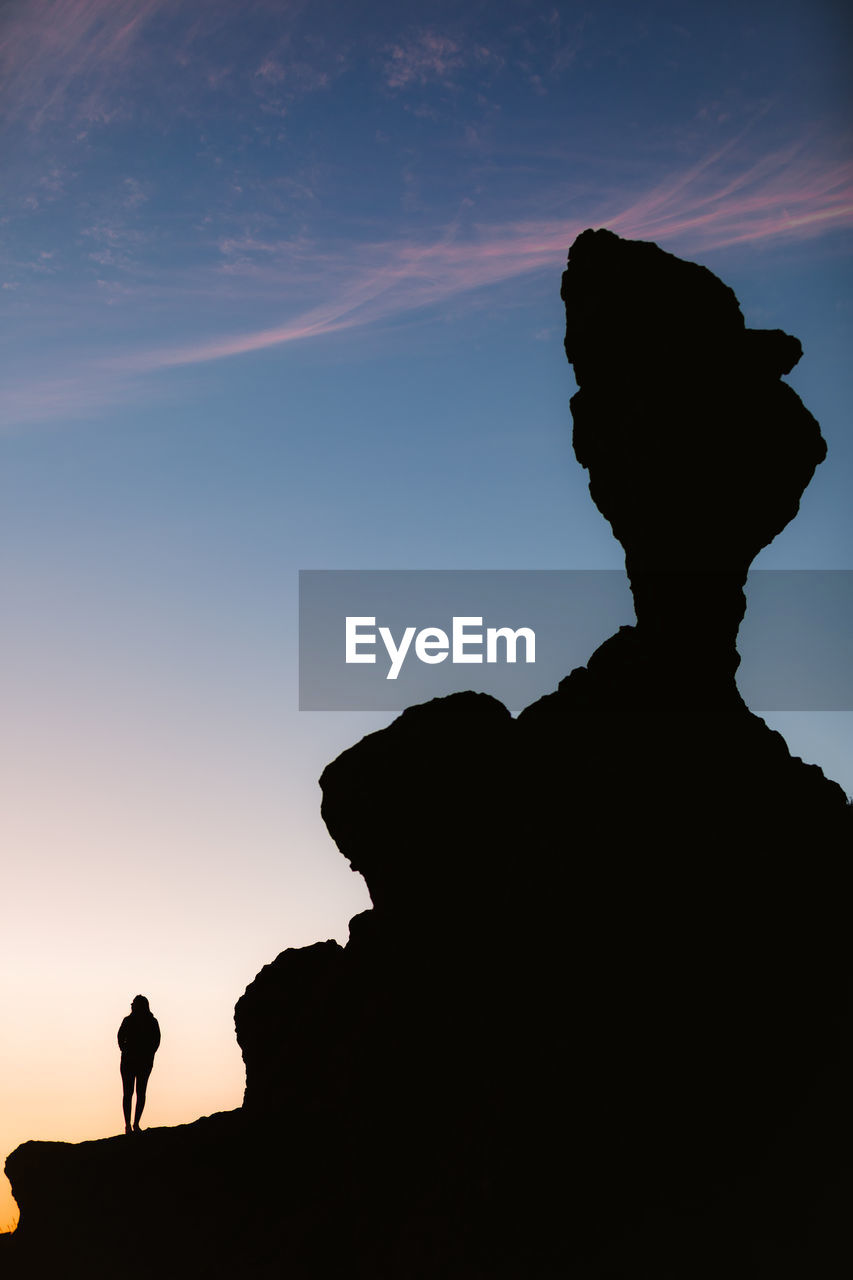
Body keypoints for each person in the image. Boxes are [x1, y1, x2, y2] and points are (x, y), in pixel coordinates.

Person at [118, 994, 161, 1134]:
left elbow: (156, 1041)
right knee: (132, 1093)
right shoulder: (135, 1021)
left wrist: (147, 1054)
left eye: (134, 1004)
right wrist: (125, 1050)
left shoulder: (150, 1022)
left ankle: (133, 1125)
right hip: (133, 1062)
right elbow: (119, 1038)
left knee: (136, 1093)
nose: (131, 1006)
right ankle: (130, 1125)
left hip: (139, 1062)